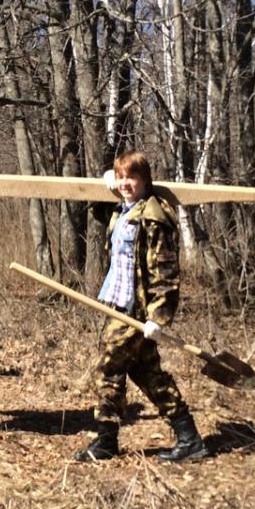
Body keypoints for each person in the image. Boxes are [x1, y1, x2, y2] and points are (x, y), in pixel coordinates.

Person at [74, 150, 207, 463]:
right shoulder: (122, 211)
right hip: (118, 302)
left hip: (136, 309)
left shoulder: (153, 218)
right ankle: (190, 438)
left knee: (107, 368)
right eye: (121, 177)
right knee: (147, 373)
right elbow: (99, 210)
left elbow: (166, 271)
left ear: (146, 180)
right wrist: (105, 186)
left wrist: (158, 316)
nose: (125, 183)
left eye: (131, 177)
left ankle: (105, 441)